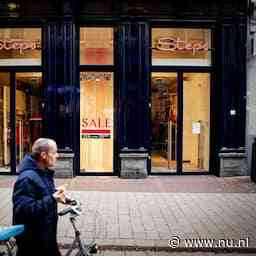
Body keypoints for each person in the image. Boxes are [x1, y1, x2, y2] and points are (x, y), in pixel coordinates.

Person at [12, 138, 66, 256]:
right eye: (54, 152)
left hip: (46, 239)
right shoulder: (27, 178)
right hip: (33, 244)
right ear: (43, 155)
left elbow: (40, 194)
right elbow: (23, 210)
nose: (57, 155)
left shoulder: (44, 172)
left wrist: (55, 193)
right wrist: (52, 199)